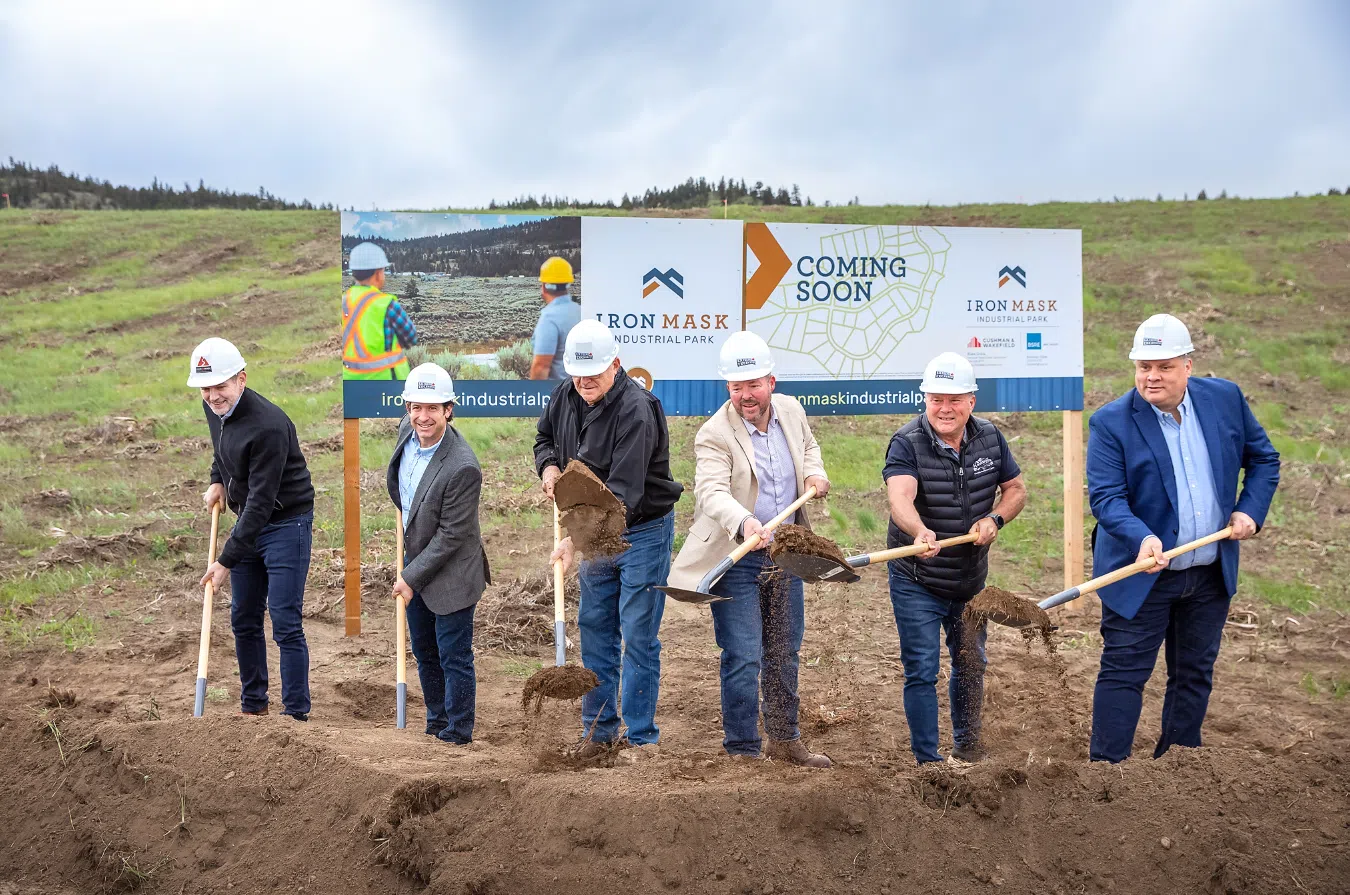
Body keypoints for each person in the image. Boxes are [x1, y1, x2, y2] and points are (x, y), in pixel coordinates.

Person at [1086, 314, 1279, 763]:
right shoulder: (1111, 422)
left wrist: (1249, 510)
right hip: (1141, 573)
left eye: (1164, 366)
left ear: (1188, 366)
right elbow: (1108, 499)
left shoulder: (1225, 399)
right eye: (1143, 367)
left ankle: (1179, 770)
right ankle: (1106, 776)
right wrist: (1142, 537)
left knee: (1194, 673)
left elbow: (1264, 460)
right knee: (1124, 673)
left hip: (1209, 570)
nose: (1152, 377)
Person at [668, 332, 832, 767]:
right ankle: (742, 749)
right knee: (743, 653)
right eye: (737, 387)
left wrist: (815, 474)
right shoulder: (714, 434)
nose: (746, 396)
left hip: (786, 554)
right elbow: (710, 493)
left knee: (785, 649)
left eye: (753, 385)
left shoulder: (792, 413)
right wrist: (744, 521)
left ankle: (784, 739)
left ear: (771, 382)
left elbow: (809, 449)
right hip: (738, 557)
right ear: (728, 389)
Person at [536, 320, 683, 758]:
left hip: (640, 531)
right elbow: (544, 438)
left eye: (594, 375)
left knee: (637, 634)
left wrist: (573, 542)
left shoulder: (637, 410)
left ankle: (641, 740)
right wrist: (548, 468)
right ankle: (598, 735)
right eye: (578, 374)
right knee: (596, 628)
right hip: (590, 526)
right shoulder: (566, 394)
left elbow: (621, 498)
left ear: (616, 366)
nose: (584, 383)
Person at [882, 351, 1027, 764]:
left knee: (970, 663)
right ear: (924, 399)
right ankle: (928, 762)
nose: (944, 409)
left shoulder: (990, 438)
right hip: (918, 579)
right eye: (935, 399)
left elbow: (1015, 489)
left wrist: (995, 518)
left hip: (969, 581)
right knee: (922, 669)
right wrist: (918, 531)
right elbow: (900, 497)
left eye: (954, 399)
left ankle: (967, 747)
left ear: (971, 402)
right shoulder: (907, 442)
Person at [191, 338, 315, 720]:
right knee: (244, 618)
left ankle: (295, 716)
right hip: (249, 520)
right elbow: (222, 448)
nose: (213, 396)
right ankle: (253, 708)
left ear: (241, 379)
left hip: (285, 523)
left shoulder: (270, 426)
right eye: (206, 388)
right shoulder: (214, 406)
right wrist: (217, 479)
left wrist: (226, 560)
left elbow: (262, 502)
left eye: (221, 386)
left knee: (284, 620)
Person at [386, 363, 490, 745]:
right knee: (425, 652)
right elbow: (401, 489)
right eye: (416, 407)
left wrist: (410, 577)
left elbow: (451, 536)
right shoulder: (406, 433)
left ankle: (458, 732)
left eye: (433, 408)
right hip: (416, 559)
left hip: (452, 574)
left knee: (453, 655)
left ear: (449, 409)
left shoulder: (463, 467)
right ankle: (436, 723)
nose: (422, 416)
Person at [342, 241, 416, 380]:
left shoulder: (343, 302)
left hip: (349, 383)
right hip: (385, 384)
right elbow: (410, 338)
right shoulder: (387, 304)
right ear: (377, 274)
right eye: (383, 271)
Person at [529, 255, 581, 380]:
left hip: (558, 393)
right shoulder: (580, 311)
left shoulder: (550, 318)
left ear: (544, 286)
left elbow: (541, 366)